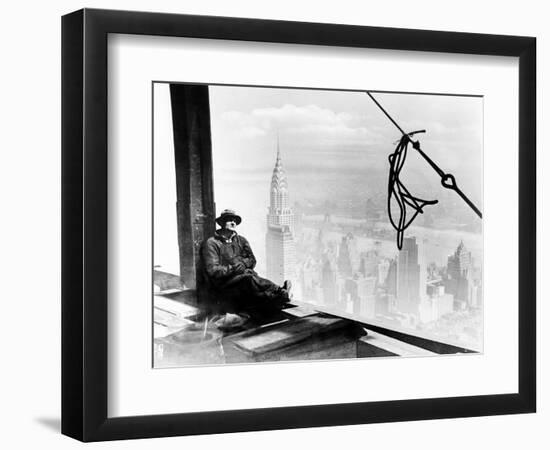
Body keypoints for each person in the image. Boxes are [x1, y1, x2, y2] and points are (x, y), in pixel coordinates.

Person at [201, 209, 292, 315]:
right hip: (224, 284)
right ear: (221, 223)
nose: (233, 223)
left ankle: (279, 293)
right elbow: (213, 270)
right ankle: (279, 294)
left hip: (242, 278)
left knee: (251, 276)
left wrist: (244, 264)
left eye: (234, 220)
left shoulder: (241, 240)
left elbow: (252, 259)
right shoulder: (212, 243)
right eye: (229, 220)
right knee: (248, 279)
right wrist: (234, 268)